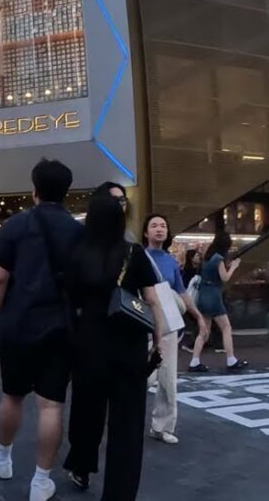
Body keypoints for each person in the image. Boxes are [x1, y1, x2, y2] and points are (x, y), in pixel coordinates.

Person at [0, 159, 81, 501]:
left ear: (33, 189)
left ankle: (3, 458)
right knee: (51, 405)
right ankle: (41, 482)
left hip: (18, 323)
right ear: (66, 192)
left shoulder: (14, 225)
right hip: (62, 326)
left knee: (12, 395)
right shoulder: (77, 231)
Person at [63, 195, 166, 498]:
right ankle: (119, 493)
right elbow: (152, 301)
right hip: (128, 348)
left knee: (85, 413)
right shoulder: (134, 252)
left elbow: (70, 300)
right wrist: (157, 342)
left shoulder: (77, 253)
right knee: (128, 426)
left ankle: (81, 466)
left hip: (88, 347)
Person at [144, 213, 207, 445]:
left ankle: (162, 426)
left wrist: (198, 316)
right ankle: (124, 415)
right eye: (154, 225)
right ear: (145, 232)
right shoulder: (139, 257)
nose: (159, 229)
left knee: (168, 377)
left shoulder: (171, 261)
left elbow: (181, 293)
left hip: (169, 324)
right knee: (145, 375)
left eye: (163, 225)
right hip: (146, 323)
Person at [189, 232, 248, 373]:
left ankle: (194, 361)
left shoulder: (207, 258)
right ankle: (231, 360)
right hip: (213, 296)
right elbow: (225, 277)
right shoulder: (218, 259)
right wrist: (234, 266)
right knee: (226, 327)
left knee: (204, 331)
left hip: (202, 295)